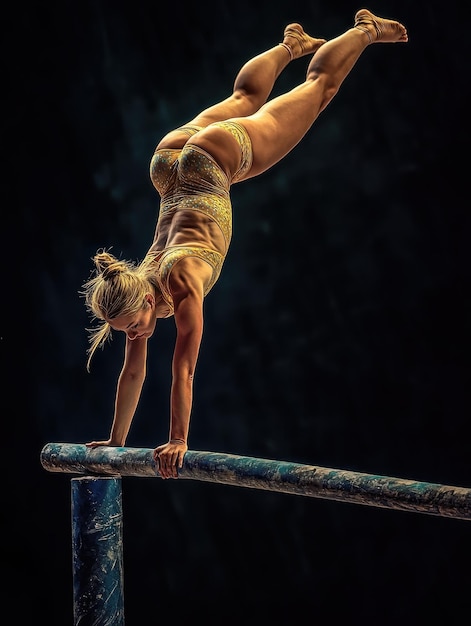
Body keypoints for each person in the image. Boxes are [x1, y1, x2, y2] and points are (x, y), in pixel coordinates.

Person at [82, 9, 408, 478]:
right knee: (245, 96)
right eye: (126, 331)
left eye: (132, 325)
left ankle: (365, 28)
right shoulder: (138, 295)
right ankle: (291, 45)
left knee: (318, 91)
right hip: (168, 163)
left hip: (218, 158)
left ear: (148, 299)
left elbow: (183, 370)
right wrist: (115, 442)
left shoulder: (180, 281)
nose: (133, 335)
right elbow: (133, 373)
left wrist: (178, 439)